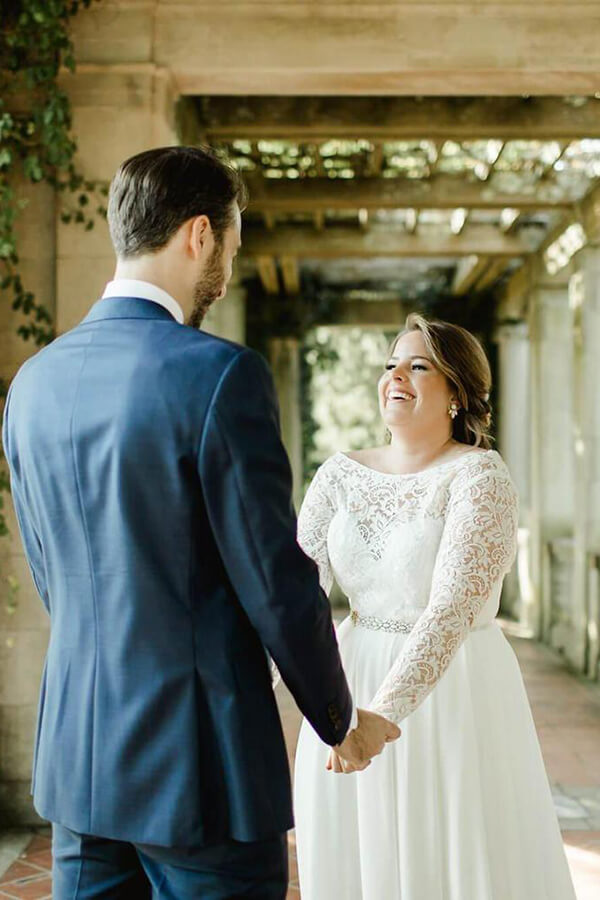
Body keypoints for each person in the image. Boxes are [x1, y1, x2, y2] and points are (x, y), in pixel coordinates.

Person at [2, 145, 399, 900]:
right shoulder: (220, 376)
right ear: (198, 235)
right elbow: (275, 582)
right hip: (200, 770)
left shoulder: (34, 383)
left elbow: (54, 574)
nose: (229, 266)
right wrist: (337, 716)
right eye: (232, 242)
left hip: (79, 761)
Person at [294, 314, 576, 900]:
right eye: (391, 364)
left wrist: (381, 718)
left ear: (457, 393)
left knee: (446, 856)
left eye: (418, 365)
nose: (396, 375)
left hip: (450, 695)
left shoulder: (479, 476)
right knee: (355, 856)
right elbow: (294, 596)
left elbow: (450, 610)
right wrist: (253, 684)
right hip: (345, 686)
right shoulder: (337, 476)